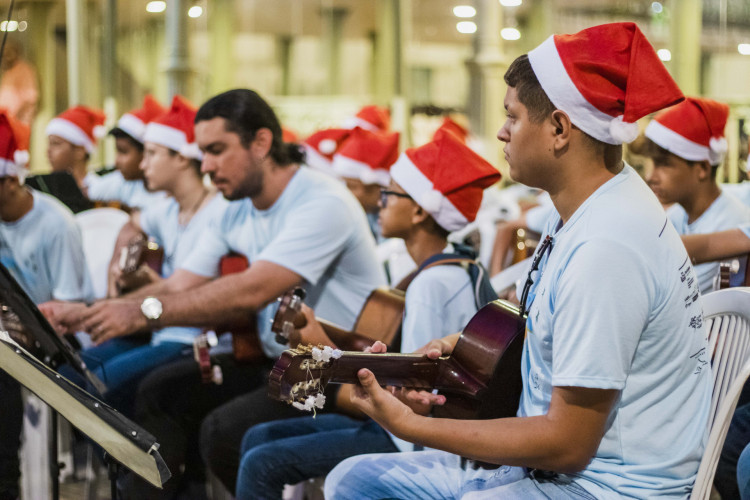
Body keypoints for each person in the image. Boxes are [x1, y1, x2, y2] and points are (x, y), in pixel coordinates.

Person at [324, 22, 712, 499]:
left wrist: (412, 426)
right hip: (557, 470)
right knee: (355, 479)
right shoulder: (582, 208)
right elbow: (546, 326)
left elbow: (566, 444)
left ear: (559, 128)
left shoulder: (607, 248)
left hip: (604, 487)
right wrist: (457, 348)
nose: (502, 131)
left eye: (512, 116)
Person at [47, 89, 385, 498]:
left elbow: (251, 290)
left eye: (216, 150)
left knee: (223, 430)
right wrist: (88, 312)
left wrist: (143, 313)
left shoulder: (322, 201)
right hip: (275, 359)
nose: (205, 165)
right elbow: (178, 283)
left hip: (332, 370)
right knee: (162, 391)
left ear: (261, 143)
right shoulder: (235, 203)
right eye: (202, 151)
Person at [232, 129, 501, 500]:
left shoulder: (431, 284)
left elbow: (413, 388)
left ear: (421, 210)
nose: (380, 202)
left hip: (410, 439)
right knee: (257, 436)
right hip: (406, 428)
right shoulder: (455, 268)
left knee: (262, 461)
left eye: (390, 193)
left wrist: (321, 347)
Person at [52, 95, 229, 417]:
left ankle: (128, 466)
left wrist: (93, 309)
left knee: (97, 384)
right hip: (160, 331)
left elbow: (181, 286)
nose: (143, 163)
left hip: (195, 341)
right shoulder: (168, 208)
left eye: (151, 153)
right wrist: (122, 266)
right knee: (68, 374)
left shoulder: (218, 212)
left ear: (181, 158)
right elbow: (132, 226)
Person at [0, 110, 93, 500]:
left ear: (10, 180)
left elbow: (71, 309)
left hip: (62, 337)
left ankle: (8, 483)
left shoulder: (56, 224)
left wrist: (22, 326)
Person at [643, 96, 750, 293]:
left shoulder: (730, 222)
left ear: (702, 168)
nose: (650, 176)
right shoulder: (678, 215)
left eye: (664, 164)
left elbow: (672, 294)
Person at [85, 95, 167, 211]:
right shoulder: (124, 182)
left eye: (123, 152)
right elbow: (91, 191)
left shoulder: (166, 197)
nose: (116, 161)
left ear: (146, 153)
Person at [332, 126, 400, 240]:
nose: (345, 191)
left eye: (351, 186)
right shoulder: (364, 214)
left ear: (378, 187)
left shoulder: (397, 223)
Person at [45, 105, 107, 195]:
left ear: (80, 151)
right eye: (49, 144)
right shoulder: (48, 188)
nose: (48, 151)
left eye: (56, 143)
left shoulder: (100, 191)